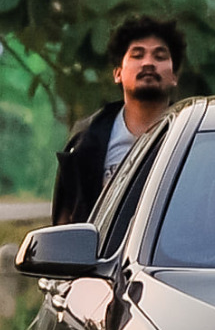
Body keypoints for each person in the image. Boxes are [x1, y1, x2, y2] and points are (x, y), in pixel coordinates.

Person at [51, 16, 184, 226]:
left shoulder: (189, 136)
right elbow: (65, 223)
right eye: (137, 55)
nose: (148, 63)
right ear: (118, 74)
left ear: (174, 76)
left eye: (159, 56)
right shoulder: (86, 141)